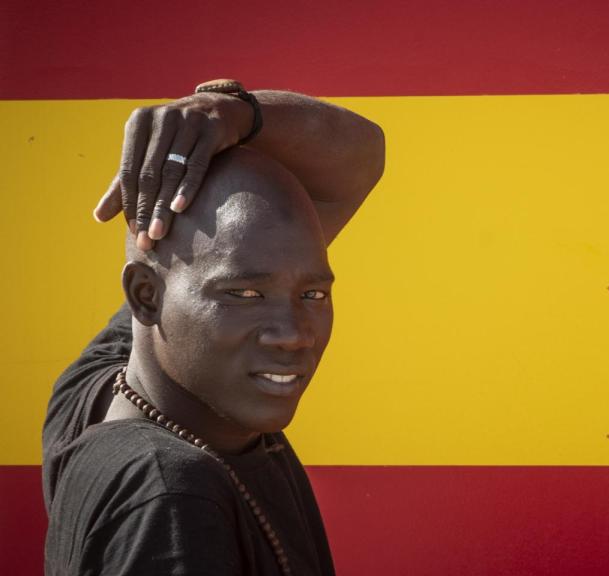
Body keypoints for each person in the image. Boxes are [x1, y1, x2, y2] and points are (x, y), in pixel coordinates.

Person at [42, 81, 385, 575]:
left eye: (312, 295)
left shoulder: (96, 390)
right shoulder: (171, 505)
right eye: (244, 295)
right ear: (146, 296)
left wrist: (233, 111)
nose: (293, 333)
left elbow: (360, 157)